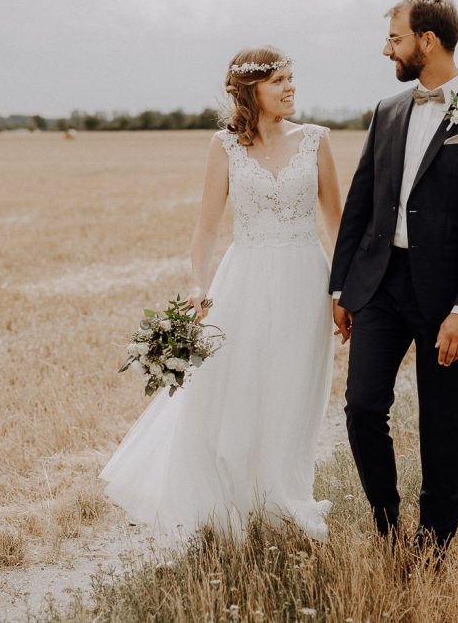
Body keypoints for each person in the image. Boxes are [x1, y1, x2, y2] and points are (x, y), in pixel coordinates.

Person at [100, 46, 343, 541]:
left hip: (305, 280)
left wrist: (343, 289)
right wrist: (197, 282)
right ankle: (230, 499)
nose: (290, 87)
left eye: (292, 78)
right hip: (244, 279)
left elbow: (337, 224)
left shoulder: (317, 140)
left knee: (294, 392)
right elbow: (206, 228)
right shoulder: (224, 146)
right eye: (279, 81)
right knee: (237, 387)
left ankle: (281, 498)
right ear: (252, 90)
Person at [329, 0, 458, 559]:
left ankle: (433, 543)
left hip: (446, 300)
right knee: (362, 407)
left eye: (395, 37)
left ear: (427, 41)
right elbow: (361, 202)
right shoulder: (388, 111)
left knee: (441, 424)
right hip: (381, 285)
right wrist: (341, 286)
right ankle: (387, 527)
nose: (387, 47)